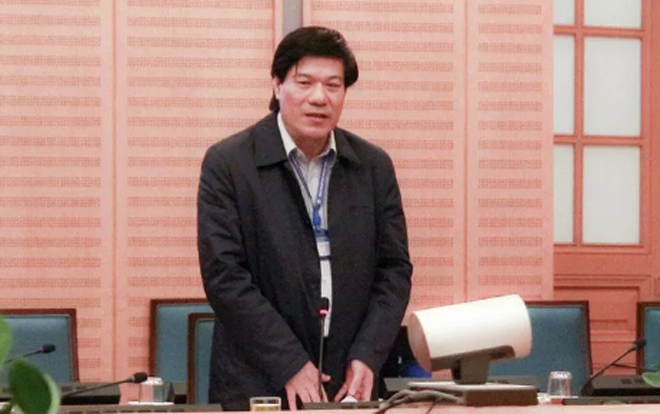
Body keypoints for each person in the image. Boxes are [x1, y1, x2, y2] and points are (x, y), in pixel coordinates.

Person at [197, 26, 412, 411]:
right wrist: (290, 362)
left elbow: (394, 271)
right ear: (277, 85)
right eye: (305, 82)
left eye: (333, 85)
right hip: (257, 378)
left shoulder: (373, 167)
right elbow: (224, 277)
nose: (319, 98)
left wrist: (368, 355)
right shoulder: (229, 164)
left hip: (350, 379)